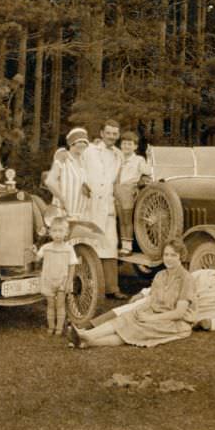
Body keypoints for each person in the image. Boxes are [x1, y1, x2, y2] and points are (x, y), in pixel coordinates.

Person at [66, 238, 194, 348]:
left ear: (181, 257)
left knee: (137, 328)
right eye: (166, 255)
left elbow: (179, 313)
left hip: (174, 323)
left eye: (173, 255)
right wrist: (137, 311)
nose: (169, 259)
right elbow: (151, 300)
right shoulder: (160, 276)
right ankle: (85, 339)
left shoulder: (186, 278)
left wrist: (151, 318)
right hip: (156, 313)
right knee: (126, 318)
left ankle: (87, 339)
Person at [89, 249, 215, 332]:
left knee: (137, 321)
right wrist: (144, 292)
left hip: (181, 317)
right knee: (134, 306)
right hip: (168, 302)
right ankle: (88, 327)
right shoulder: (203, 274)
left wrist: (212, 323)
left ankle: (89, 335)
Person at [82, 119, 128, 299]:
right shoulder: (88, 151)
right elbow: (77, 169)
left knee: (109, 244)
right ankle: (89, 287)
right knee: (89, 243)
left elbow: (118, 179)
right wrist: (82, 185)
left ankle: (112, 288)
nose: (112, 137)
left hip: (107, 203)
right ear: (101, 133)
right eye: (108, 133)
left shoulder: (118, 154)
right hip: (90, 203)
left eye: (115, 134)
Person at [34, 216, 78, 335]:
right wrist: (35, 251)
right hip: (48, 280)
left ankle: (59, 328)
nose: (57, 234)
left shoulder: (69, 249)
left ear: (66, 233)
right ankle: (51, 326)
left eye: (60, 231)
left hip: (62, 280)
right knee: (50, 305)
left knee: (60, 305)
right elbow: (37, 259)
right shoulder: (46, 248)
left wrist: (69, 282)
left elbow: (72, 266)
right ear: (50, 232)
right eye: (54, 231)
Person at [115, 131, 151, 256]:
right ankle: (120, 244)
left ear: (135, 146)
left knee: (126, 219)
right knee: (119, 219)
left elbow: (147, 171)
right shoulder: (118, 158)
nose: (126, 146)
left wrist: (149, 157)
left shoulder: (138, 159)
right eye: (124, 144)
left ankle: (128, 247)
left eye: (129, 144)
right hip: (117, 190)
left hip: (129, 189)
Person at [44, 127, 91, 220]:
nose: (83, 144)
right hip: (63, 214)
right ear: (71, 143)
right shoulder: (63, 158)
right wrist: (63, 200)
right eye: (79, 141)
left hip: (79, 215)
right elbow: (50, 181)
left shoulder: (83, 161)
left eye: (85, 142)